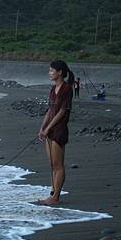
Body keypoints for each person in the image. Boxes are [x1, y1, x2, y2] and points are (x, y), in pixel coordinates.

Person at [38, 60, 74, 205]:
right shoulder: (53, 89)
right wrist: (42, 128)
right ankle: (52, 193)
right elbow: (50, 111)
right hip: (50, 130)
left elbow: (62, 111)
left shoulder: (67, 89)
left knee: (58, 164)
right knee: (52, 164)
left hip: (59, 130)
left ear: (60, 72)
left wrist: (48, 128)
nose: (49, 73)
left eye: (52, 70)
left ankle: (56, 197)